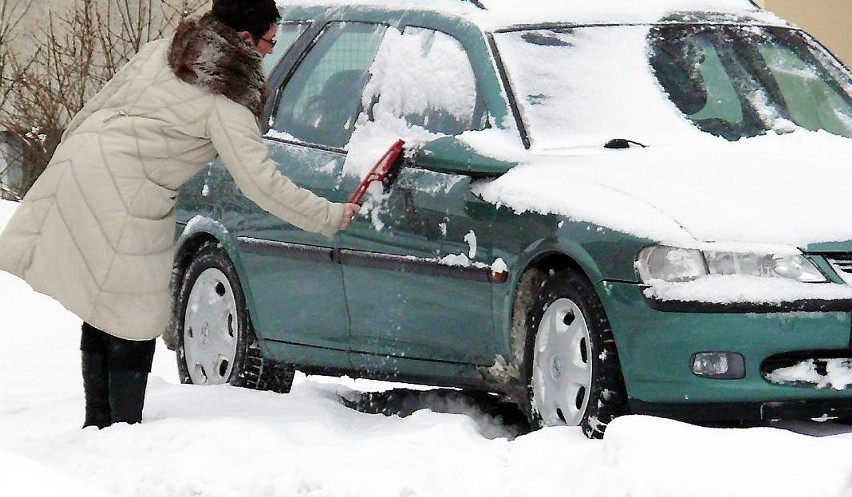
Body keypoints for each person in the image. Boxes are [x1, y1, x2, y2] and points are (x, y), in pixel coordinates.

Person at [0, 0, 360, 429]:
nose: (270, 51)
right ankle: (120, 430)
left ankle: (98, 427)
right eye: (268, 41)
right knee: (134, 317)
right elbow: (264, 185)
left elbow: (99, 103)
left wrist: (66, 161)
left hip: (82, 165)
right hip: (126, 193)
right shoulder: (224, 101)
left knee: (105, 308)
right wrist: (330, 215)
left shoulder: (169, 49)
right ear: (244, 39)